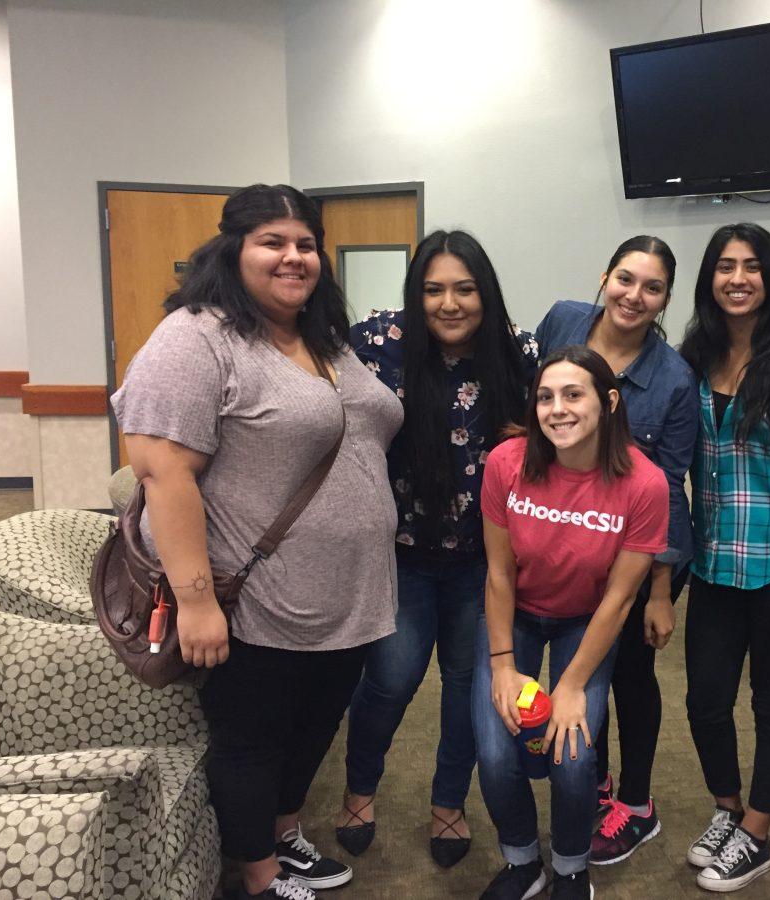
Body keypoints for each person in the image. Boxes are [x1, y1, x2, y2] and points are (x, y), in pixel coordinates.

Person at [111, 184, 403, 900]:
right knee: (253, 740)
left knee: (312, 731)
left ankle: (283, 836)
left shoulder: (322, 335)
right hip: (254, 598)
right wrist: (198, 603)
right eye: (273, 241)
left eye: (305, 243)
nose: (293, 257)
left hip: (347, 596)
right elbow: (163, 472)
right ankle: (259, 879)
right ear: (233, 249)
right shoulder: (196, 338)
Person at [335, 230, 537, 866]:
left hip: (485, 561)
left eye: (465, 289)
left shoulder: (519, 351)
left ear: (486, 291)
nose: (450, 303)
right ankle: (359, 786)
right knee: (391, 678)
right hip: (402, 554)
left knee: (465, 687)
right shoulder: (377, 344)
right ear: (415, 293)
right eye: (434, 289)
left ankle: (449, 801)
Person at [473, 346, 670, 900]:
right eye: (545, 396)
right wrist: (504, 666)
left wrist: (572, 685)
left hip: (585, 620)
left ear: (608, 402)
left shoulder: (644, 484)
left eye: (572, 394)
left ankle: (569, 867)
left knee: (572, 754)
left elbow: (619, 600)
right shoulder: (507, 463)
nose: (556, 409)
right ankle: (520, 861)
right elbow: (498, 572)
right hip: (513, 613)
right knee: (494, 748)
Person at [534, 235, 698, 865]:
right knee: (584, 666)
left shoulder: (673, 379)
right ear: (604, 276)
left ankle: (637, 803)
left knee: (629, 672)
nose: (634, 295)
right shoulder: (563, 320)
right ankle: (596, 782)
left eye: (652, 287)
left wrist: (660, 592)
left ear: (664, 300)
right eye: (626, 279)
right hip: (571, 538)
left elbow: (671, 490)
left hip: (641, 549)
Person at [679, 222, 770, 893]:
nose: (737, 278)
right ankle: (727, 809)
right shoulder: (690, 358)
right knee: (706, 702)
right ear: (709, 279)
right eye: (723, 266)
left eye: (751, 266)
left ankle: (758, 833)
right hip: (713, 565)